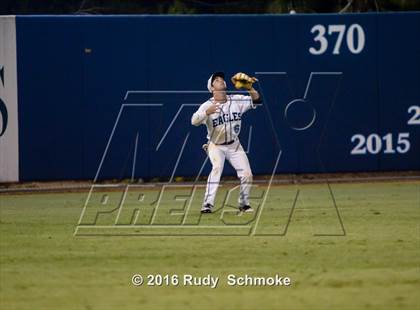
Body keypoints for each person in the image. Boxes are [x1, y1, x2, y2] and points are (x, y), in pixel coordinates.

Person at [191, 71, 262, 213]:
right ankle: (207, 205)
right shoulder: (207, 105)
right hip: (215, 145)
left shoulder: (236, 99)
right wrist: (206, 113)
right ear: (211, 88)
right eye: (216, 80)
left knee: (247, 174)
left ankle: (244, 204)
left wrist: (250, 89)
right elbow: (193, 121)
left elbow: (257, 101)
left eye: (221, 79)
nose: (221, 81)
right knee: (216, 169)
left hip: (234, 144)